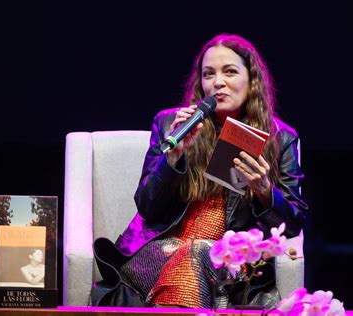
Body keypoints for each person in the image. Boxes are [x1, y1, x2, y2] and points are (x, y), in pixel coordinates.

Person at [92, 33, 308, 309]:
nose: (218, 82)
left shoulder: (279, 138)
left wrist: (265, 191)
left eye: (230, 71)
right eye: (208, 74)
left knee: (200, 253)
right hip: (159, 252)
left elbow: (294, 221)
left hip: (231, 262)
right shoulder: (171, 124)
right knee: (192, 254)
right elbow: (147, 207)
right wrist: (173, 159)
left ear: (252, 79)